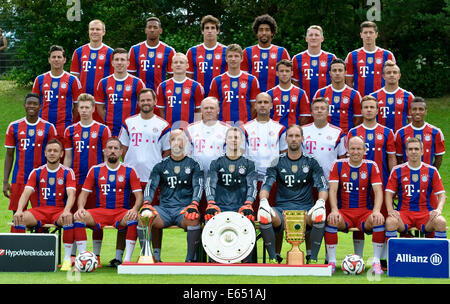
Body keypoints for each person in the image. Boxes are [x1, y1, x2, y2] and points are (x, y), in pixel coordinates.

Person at [259, 124, 328, 264]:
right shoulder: (276, 161)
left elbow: (322, 187)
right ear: (286, 139)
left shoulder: (312, 162)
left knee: (320, 214)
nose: (294, 139)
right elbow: (266, 185)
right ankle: (273, 258)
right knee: (264, 214)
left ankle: (313, 258)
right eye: (291, 136)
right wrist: (263, 201)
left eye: (297, 136)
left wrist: (320, 202)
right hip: (281, 210)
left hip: (306, 209)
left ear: (303, 139)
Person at [118, 88, 171, 265]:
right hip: (131, 179)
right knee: (126, 215)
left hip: (152, 179)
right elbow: (123, 150)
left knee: (153, 217)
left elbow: (167, 153)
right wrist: (128, 171)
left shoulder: (163, 125)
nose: (146, 103)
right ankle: (120, 256)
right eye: (143, 100)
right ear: (138, 102)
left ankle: (156, 254)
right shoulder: (129, 122)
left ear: (155, 102)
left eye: (149, 100)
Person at [73, 137, 143, 264]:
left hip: (121, 212)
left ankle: (127, 260)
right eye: (110, 148)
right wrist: (81, 208)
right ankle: (83, 258)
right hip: (100, 211)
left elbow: (139, 196)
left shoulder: (130, 170)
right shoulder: (95, 170)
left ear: (121, 151)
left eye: (116, 148)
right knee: (79, 217)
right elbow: (83, 194)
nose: (112, 151)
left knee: (134, 217)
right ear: (104, 151)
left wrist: (134, 209)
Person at [13, 139, 77, 271]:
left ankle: (66, 260)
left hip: (58, 211)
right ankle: (18, 257)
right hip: (40, 210)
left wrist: (66, 211)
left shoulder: (67, 172)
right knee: (19, 218)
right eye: (49, 151)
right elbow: (26, 193)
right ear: (45, 153)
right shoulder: (36, 172)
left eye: (55, 151)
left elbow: (71, 194)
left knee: (68, 218)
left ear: (61, 154)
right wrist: (19, 210)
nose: (52, 153)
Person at [63, 93, 111, 264]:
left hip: (96, 183)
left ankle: (96, 256)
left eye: (87, 107)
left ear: (92, 109)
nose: (83, 110)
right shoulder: (70, 130)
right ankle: (75, 255)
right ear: (77, 108)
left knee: (96, 219)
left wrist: (105, 178)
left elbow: (107, 158)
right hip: (76, 181)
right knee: (76, 217)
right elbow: (68, 157)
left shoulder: (103, 129)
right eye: (80, 107)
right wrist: (66, 178)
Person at [325, 136, 385, 274]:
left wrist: (376, 211)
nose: (356, 152)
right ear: (347, 149)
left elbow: (378, 191)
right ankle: (332, 262)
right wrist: (334, 210)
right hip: (344, 212)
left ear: (364, 150)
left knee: (378, 220)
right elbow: (332, 190)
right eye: (352, 148)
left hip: (364, 212)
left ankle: (376, 262)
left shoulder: (371, 165)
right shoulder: (338, 164)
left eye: (359, 149)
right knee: (332, 220)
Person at [142, 129, 204, 262]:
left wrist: (194, 204)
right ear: (169, 142)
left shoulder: (194, 164)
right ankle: (151, 257)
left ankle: (190, 259)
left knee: (193, 218)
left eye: (180, 139)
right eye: (173, 139)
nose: (176, 143)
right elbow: (151, 186)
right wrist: (146, 203)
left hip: (184, 209)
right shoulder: (160, 165)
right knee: (145, 216)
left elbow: (198, 186)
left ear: (185, 142)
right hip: (164, 209)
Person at [347, 95, 396, 262]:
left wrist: (392, 182)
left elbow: (391, 158)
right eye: (365, 107)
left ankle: (382, 259)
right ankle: (358, 257)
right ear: (361, 110)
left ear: (377, 110)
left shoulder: (387, 132)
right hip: (358, 183)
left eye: (372, 107)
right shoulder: (353, 132)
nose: (368, 110)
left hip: (380, 183)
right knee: (358, 216)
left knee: (380, 218)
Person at [4, 93, 57, 232]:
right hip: (19, 178)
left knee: (42, 216)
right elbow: (9, 155)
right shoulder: (14, 126)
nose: (32, 106)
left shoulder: (48, 127)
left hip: (42, 180)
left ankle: (41, 251)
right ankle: (17, 250)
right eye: (29, 103)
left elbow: (54, 154)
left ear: (40, 106)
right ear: (24, 106)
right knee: (17, 215)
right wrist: (5, 181)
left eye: (35, 104)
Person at [385, 137, 447, 242]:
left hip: (425, 213)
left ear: (422, 151)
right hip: (404, 213)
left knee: (441, 222)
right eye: (410, 149)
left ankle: (435, 256)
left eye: (416, 149)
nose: (413, 152)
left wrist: (438, 210)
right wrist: (390, 210)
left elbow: (441, 194)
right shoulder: (397, 170)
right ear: (406, 152)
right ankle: (395, 257)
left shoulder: (432, 171)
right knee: (390, 222)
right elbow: (388, 193)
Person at [205, 127, 258, 222]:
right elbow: (209, 185)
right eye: (230, 137)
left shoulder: (250, 163)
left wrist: (249, 204)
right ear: (225, 140)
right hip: (219, 207)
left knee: (248, 229)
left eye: (236, 137)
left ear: (241, 140)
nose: (233, 140)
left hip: (242, 208)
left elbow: (252, 187)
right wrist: (211, 203)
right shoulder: (215, 162)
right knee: (209, 226)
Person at [32, 45, 82, 141]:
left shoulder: (72, 80)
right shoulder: (40, 79)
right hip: (43, 125)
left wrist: (69, 120)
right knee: (43, 154)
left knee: (64, 154)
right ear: (49, 60)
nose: (56, 59)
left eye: (59, 57)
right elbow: (34, 104)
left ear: (64, 60)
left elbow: (77, 107)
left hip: (64, 126)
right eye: (53, 57)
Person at [70, 19, 115, 123]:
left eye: (98, 29)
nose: (94, 31)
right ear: (88, 31)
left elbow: (113, 79)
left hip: (102, 100)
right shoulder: (79, 52)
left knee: (101, 129)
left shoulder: (110, 52)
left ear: (104, 32)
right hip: (82, 100)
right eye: (92, 29)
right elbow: (74, 79)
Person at [95, 48, 145, 137]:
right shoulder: (103, 82)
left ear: (128, 63)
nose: (119, 62)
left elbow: (143, 106)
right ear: (112, 63)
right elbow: (99, 107)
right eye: (116, 59)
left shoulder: (137, 83)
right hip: (110, 128)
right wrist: (108, 121)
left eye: (122, 59)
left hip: (132, 128)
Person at [209, 44, 260, 125]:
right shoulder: (217, 81)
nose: (233, 59)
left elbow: (254, 107)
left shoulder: (251, 80)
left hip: (245, 125)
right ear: (226, 59)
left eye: (236, 56)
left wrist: (248, 123)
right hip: (223, 126)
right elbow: (213, 107)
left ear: (242, 58)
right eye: (230, 56)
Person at [345, 21, 395, 97]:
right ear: (361, 35)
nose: (368, 35)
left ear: (376, 35)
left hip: (382, 99)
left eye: (371, 32)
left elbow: (393, 79)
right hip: (361, 99)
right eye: (365, 33)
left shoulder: (387, 55)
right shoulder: (352, 55)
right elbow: (349, 82)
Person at [241, 14, 290, 92]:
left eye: (267, 30)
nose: (264, 33)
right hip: (254, 98)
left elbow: (287, 77)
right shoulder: (247, 52)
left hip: (276, 97)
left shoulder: (281, 52)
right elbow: (242, 78)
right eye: (261, 30)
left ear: (272, 33)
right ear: (256, 33)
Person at [313, 58, 362, 134]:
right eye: (334, 70)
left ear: (345, 72)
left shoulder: (354, 94)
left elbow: (358, 119)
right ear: (330, 73)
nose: (337, 73)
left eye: (340, 70)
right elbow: (315, 116)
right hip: (325, 135)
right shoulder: (320, 93)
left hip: (346, 136)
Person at [156, 53, 204, 128]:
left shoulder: (196, 86)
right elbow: (161, 110)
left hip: (188, 129)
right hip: (169, 129)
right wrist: (164, 127)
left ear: (187, 65)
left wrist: (196, 128)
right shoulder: (163, 86)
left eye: (181, 62)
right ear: (171, 66)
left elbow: (198, 111)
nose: (178, 65)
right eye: (175, 62)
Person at [394, 97, 445, 169]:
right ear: (410, 111)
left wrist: (430, 174)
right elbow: (399, 158)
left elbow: (439, 158)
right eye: (414, 109)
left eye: (421, 109)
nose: (417, 112)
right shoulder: (400, 133)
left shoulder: (436, 132)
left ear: (425, 111)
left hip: (427, 177)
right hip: (406, 177)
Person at [128, 16, 176, 91]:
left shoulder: (169, 51)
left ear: (160, 30)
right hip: (140, 95)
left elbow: (173, 77)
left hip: (160, 93)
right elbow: (130, 76)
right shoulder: (135, 49)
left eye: (155, 27)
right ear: (145, 30)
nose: (152, 30)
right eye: (149, 27)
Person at [292, 25, 336, 102]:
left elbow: (335, 82)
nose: (313, 37)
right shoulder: (297, 59)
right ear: (306, 39)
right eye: (311, 35)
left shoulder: (331, 58)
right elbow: (295, 84)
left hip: (325, 103)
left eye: (316, 35)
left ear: (322, 39)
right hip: (304, 102)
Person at [186, 15, 227, 96]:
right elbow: (188, 78)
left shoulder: (226, 51)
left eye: (212, 28)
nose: (209, 31)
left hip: (220, 96)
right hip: (198, 96)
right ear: (202, 31)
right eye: (207, 28)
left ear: (218, 31)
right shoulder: (192, 51)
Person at [370, 60, 414, 133]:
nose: (392, 75)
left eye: (395, 72)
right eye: (388, 72)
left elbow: (411, 121)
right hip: (379, 137)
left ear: (399, 76)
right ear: (383, 76)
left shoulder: (408, 96)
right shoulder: (374, 96)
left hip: (400, 137)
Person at [266, 59, 311, 128]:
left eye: (287, 71)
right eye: (281, 71)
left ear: (292, 73)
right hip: (274, 133)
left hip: (293, 135)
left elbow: (305, 116)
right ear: (277, 73)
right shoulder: (269, 94)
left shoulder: (300, 93)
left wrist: (295, 129)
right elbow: (266, 115)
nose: (284, 73)